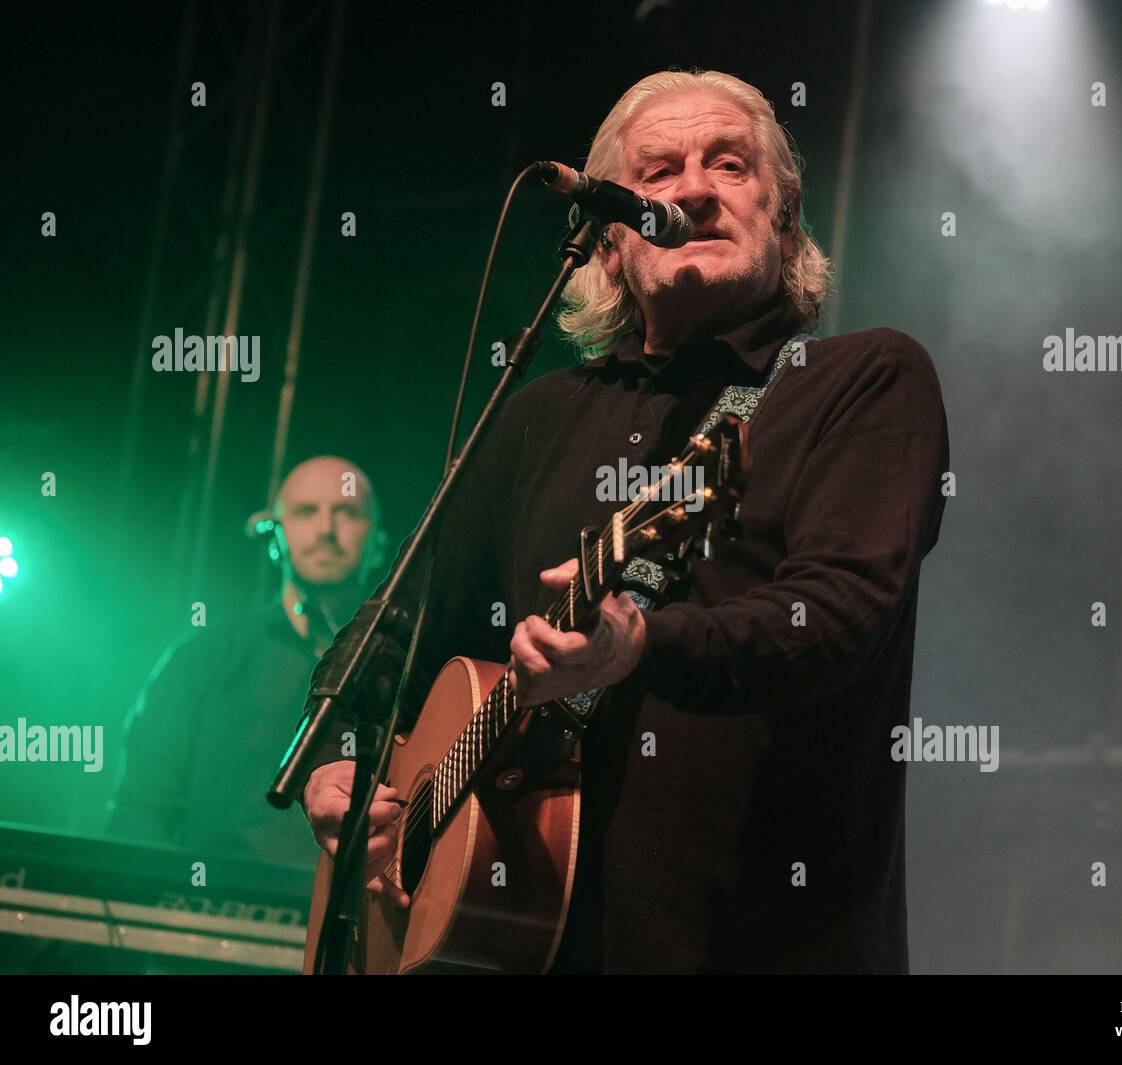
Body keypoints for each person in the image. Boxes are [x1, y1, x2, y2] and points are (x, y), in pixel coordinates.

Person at [302, 69, 949, 973]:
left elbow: (840, 617)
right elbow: (398, 629)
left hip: (757, 944)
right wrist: (343, 762)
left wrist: (645, 645)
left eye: (729, 165)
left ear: (786, 217)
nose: (692, 188)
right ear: (608, 241)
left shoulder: (861, 379)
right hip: (522, 945)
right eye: (658, 172)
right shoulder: (534, 417)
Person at [107, 455, 387, 869]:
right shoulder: (203, 657)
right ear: (274, 534)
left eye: (346, 512)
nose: (326, 530)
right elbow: (141, 811)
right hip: (207, 914)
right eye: (307, 512)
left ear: (378, 542)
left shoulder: (403, 668)